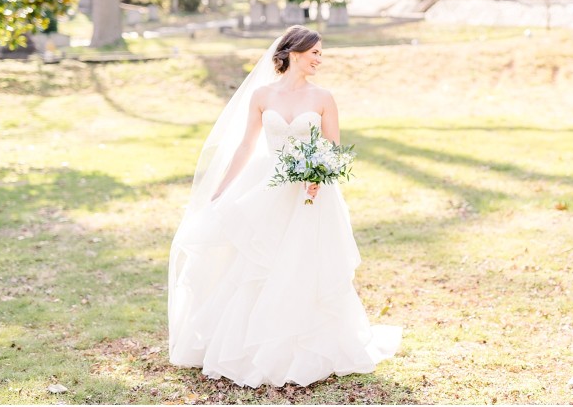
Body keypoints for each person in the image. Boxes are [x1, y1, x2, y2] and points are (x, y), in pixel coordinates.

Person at [168, 25, 402, 388]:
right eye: (315, 53)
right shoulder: (262, 95)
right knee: (256, 265)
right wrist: (222, 189)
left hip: (311, 193)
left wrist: (319, 175)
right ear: (294, 52)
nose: (320, 60)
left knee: (304, 265)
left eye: (321, 54)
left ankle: (306, 347)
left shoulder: (323, 97)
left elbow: (332, 148)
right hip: (268, 186)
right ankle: (250, 347)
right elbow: (246, 146)